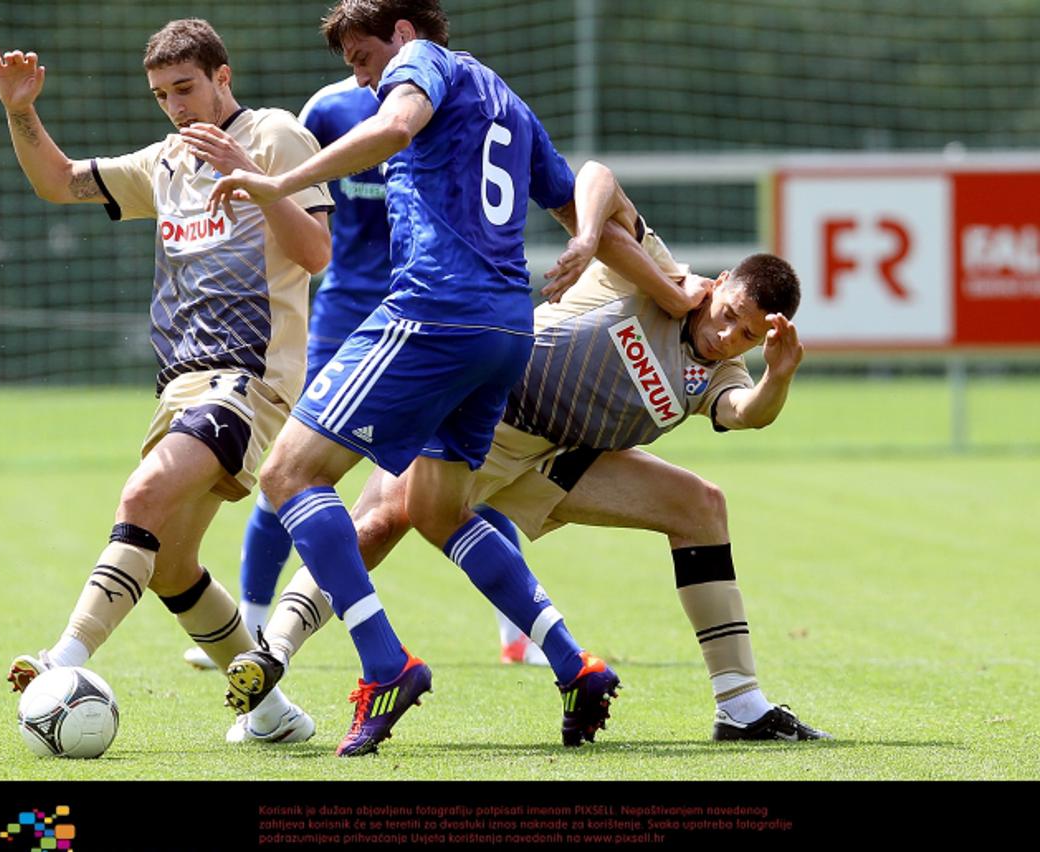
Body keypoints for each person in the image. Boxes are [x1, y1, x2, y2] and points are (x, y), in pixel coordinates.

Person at [209, 0, 703, 756]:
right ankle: (575, 665)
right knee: (437, 511)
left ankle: (385, 665)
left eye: (365, 61)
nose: (366, 81)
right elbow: (584, 208)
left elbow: (396, 125)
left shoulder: (423, 65)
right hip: (506, 328)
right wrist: (668, 288)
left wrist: (278, 184)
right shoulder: (503, 96)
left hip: (433, 312)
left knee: (287, 474)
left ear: (403, 35)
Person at [257, 177, 832, 742]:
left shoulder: (719, 372)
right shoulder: (659, 274)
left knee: (701, 507)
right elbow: (597, 178)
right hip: (483, 410)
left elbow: (745, 411)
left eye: (748, 336)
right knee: (378, 523)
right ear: (723, 281)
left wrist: (777, 378)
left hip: (557, 455)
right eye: (730, 314)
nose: (728, 336)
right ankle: (273, 651)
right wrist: (585, 240)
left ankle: (740, 705)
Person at [0, 18, 334, 744]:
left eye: (186, 88)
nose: (176, 106)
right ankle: (272, 712)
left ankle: (63, 658)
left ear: (223, 77)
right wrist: (21, 109)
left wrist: (255, 177)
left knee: (142, 495)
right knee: (172, 564)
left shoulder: (277, 136)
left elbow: (316, 254)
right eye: (161, 94)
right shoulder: (167, 161)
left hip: (250, 378)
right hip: (178, 386)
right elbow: (57, 182)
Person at [181, 75, 543, 673]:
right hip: (347, 308)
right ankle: (245, 628)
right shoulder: (327, 107)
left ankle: (516, 634)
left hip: (430, 314)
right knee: (293, 465)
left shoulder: (448, 98)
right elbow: (289, 197)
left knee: (468, 467)